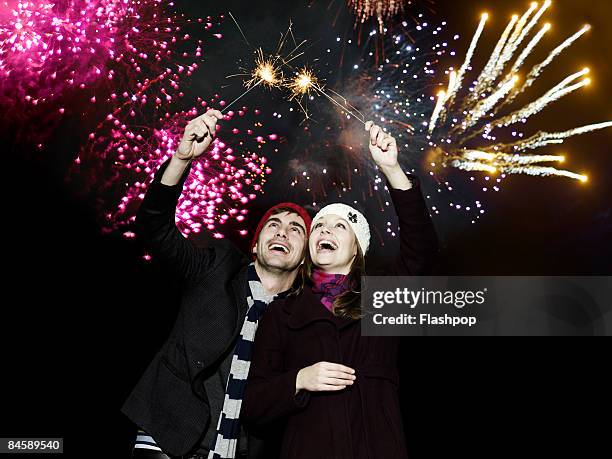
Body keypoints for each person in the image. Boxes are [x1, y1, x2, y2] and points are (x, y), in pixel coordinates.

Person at [241, 121, 439, 459]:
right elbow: (253, 405)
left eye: (338, 226)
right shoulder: (282, 313)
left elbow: (422, 249)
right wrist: (298, 379)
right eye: (318, 225)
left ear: (357, 249)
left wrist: (392, 169)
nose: (323, 230)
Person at [122, 109, 312, 459]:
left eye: (295, 229)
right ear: (254, 245)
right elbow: (154, 227)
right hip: (166, 438)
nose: (282, 231)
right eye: (273, 224)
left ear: (304, 257)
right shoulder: (217, 266)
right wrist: (182, 158)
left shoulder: (301, 316)